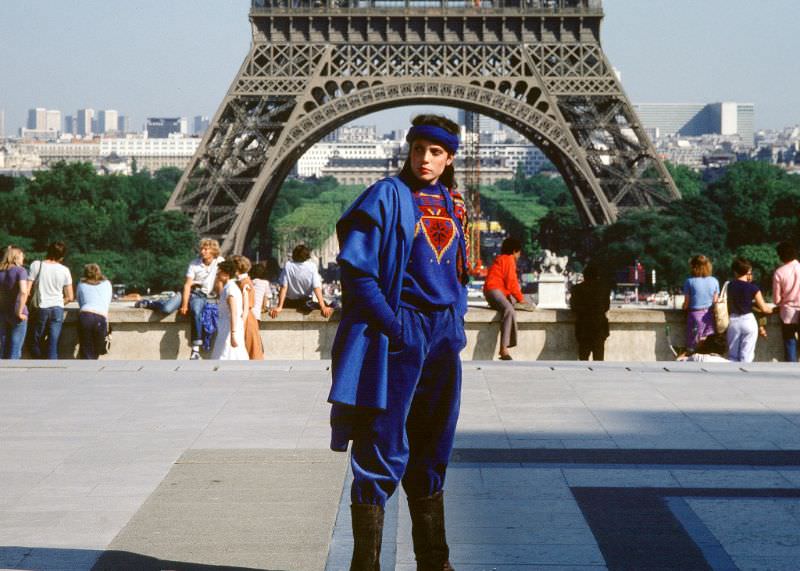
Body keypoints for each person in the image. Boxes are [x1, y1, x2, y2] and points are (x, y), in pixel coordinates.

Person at [329, 114, 468, 569]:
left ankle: (434, 560)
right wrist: (394, 326)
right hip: (403, 330)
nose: (424, 159)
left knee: (434, 444)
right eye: (417, 149)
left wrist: (455, 320)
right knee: (381, 443)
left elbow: (457, 272)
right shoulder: (388, 196)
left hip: (442, 334)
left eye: (435, 152)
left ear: (449, 159)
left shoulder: (452, 202)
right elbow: (357, 271)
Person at [144, 238, 224, 360]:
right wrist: (185, 305)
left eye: (206, 249)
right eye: (201, 249)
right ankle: (150, 303)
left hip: (201, 295)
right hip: (190, 292)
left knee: (196, 311)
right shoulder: (194, 263)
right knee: (166, 308)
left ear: (213, 250)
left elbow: (222, 281)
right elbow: (187, 285)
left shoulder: (219, 262)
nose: (203, 251)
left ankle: (196, 348)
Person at [483, 237, 533, 361]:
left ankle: (505, 347)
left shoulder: (502, 259)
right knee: (510, 310)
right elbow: (512, 283)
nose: (519, 255)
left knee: (509, 308)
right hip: (495, 290)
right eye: (519, 252)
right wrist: (521, 300)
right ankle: (504, 349)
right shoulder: (509, 259)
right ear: (515, 251)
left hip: (492, 291)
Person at [28, 241, 74, 359]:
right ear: (62, 256)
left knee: (35, 341)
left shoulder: (36, 265)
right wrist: (58, 302)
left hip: (41, 308)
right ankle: (51, 369)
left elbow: (27, 290)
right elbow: (70, 297)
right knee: (53, 343)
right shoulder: (65, 270)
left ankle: (38, 363)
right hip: (57, 308)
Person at [726, 257, 773, 363]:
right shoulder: (753, 288)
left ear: (735, 272)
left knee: (732, 356)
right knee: (747, 356)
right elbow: (765, 309)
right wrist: (777, 310)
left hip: (733, 321)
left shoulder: (730, 286)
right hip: (748, 320)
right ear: (748, 272)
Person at [269, 244, 333, 319]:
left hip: (290, 303)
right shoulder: (312, 267)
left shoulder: (288, 266)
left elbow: (284, 287)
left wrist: (279, 306)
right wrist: (323, 306)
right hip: (305, 303)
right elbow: (316, 287)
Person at [570, 262, 612, 361]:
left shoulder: (577, 289)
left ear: (584, 276)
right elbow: (606, 307)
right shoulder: (604, 289)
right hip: (599, 326)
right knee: (599, 358)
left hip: (583, 326)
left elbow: (574, 307)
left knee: (583, 357)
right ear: (597, 276)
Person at [210, 259, 250, 361]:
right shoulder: (230, 287)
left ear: (226, 274)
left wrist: (233, 333)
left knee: (227, 354)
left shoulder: (230, 289)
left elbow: (234, 313)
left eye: (220, 271)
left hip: (229, 327)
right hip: (228, 326)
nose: (217, 274)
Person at [682, 255, 720, 351]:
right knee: (708, 347)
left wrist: (684, 308)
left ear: (694, 267)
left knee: (693, 347)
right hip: (710, 317)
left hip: (695, 316)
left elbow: (686, 304)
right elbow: (716, 302)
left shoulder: (689, 282)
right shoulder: (714, 281)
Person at [231, 255, 264, 360]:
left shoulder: (244, 283)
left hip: (246, 318)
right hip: (248, 317)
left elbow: (247, 305)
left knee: (250, 349)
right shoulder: (243, 281)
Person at [76, 263, 112, 360]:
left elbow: (80, 301)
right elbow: (107, 302)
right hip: (100, 316)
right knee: (97, 349)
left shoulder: (81, 284)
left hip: (85, 315)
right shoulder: (107, 283)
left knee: (86, 349)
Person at [0, 246, 30, 359]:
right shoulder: (21, 271)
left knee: (3, 348)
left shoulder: (1, 271)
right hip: (17, 312)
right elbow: (23, 291)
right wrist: (19, 312)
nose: (24, 258)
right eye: (22, 255)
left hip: (3, 312)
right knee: (15, 349)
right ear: (16, 257)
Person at [772, 241, 800, 362]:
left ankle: (791, 371)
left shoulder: (779, 272)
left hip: (787, 313)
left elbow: (776, 300)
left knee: (790, 342)